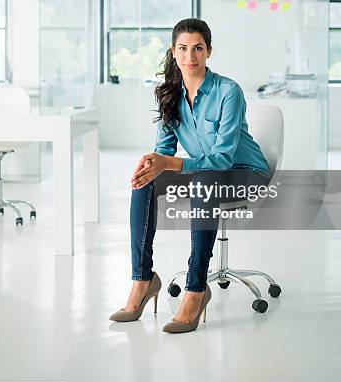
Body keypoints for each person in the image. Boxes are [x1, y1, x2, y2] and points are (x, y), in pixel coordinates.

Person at [109, 18, 270, 333]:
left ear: (209, 51)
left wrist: (171, 164)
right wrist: (152, 162)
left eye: (198, 48)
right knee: (147, 180)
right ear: (173, 52)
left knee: (205, 180)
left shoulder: (228, 91)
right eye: (182, 48)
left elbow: (222, 159)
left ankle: (196, 288)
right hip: (204, 174)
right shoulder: (168, 93)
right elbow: (164, 151)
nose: (190, 56)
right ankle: (142, 280)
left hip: (245, 173)